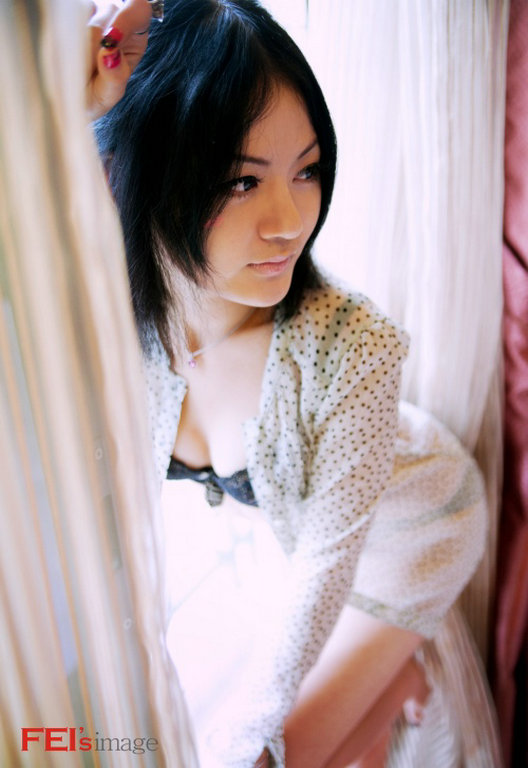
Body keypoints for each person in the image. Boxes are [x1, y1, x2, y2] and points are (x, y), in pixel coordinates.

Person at [91, 1, 492, 766]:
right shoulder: (112, 323)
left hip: (414, 526)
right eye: (243, 181)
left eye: (306, 170)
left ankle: (394, 670)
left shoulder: (355, 347)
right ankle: (389, 686)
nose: (289, 220)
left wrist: (252, 732)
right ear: (149, 174)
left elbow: (324, 566)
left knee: (270, 754)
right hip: (321, 525)